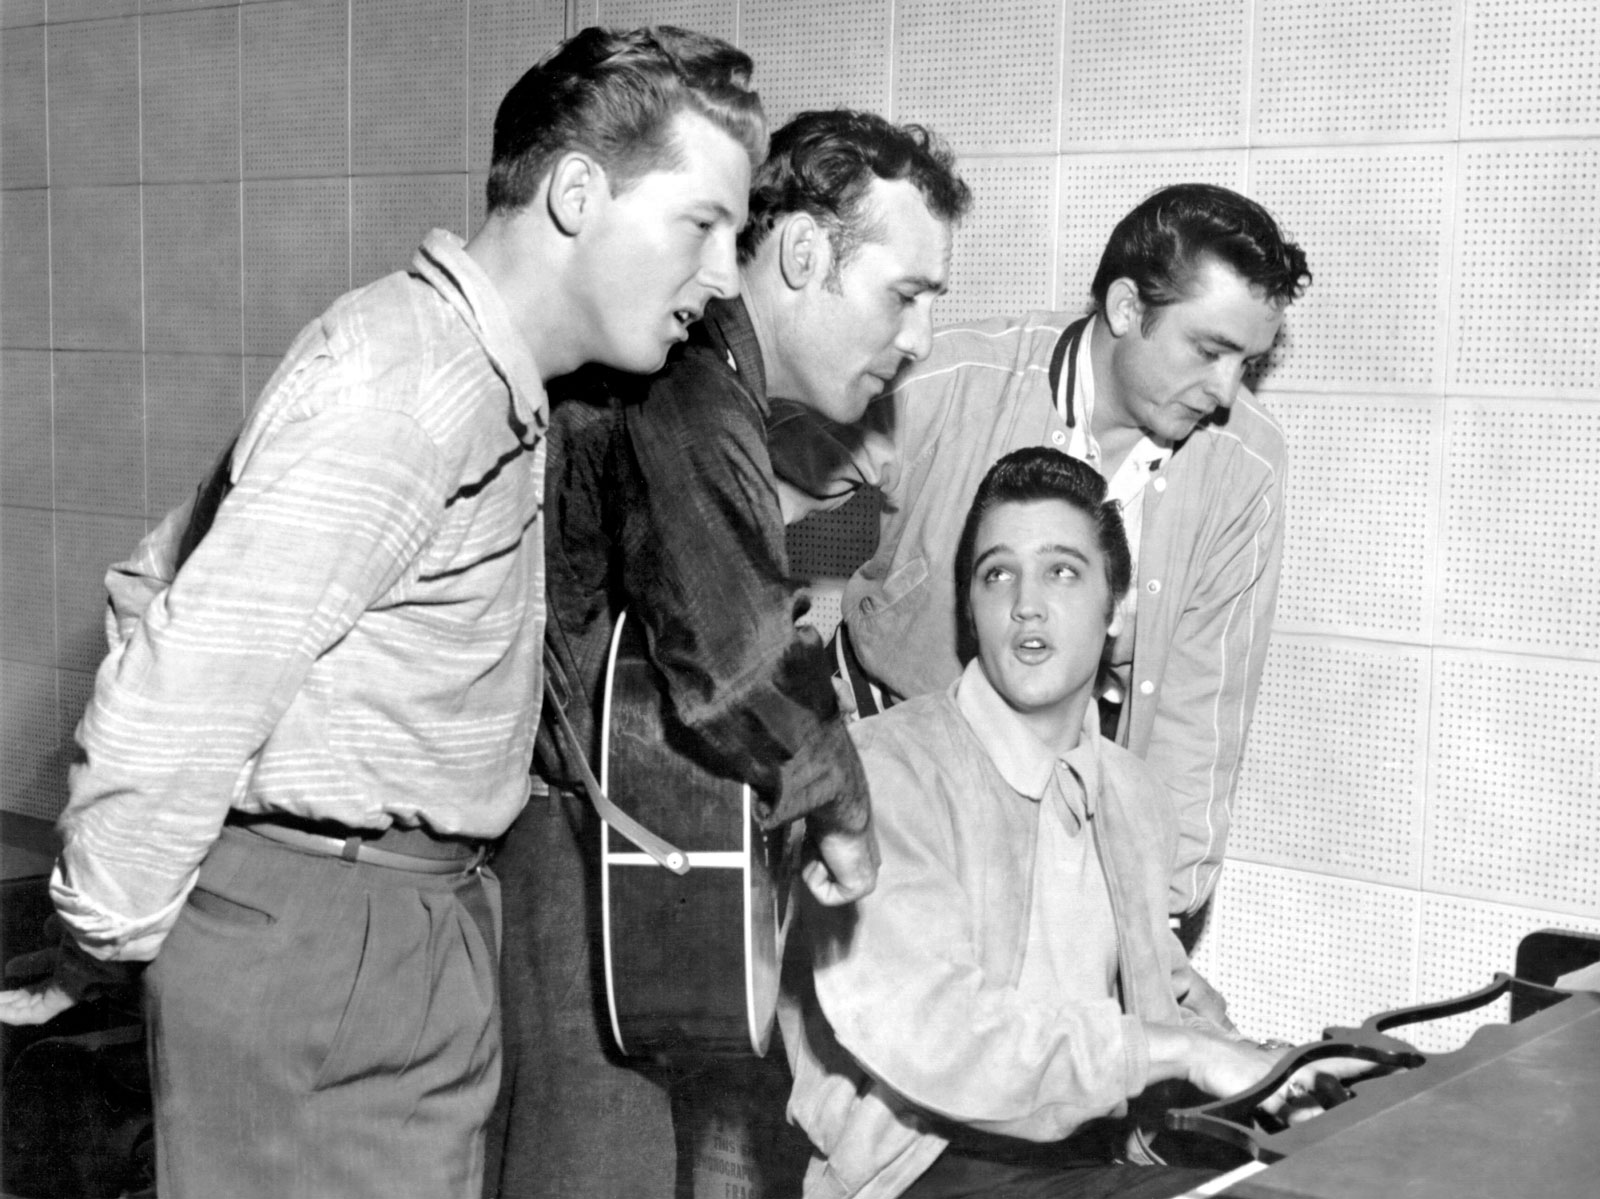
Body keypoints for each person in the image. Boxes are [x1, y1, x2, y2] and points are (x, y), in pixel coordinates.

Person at [0, 26, 764, 1199]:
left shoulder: (483, 383)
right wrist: (105, 930)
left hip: (401, 918)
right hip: (331, 938)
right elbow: (183, 674)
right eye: (701, 224)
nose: (723, 276)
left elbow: (165, 571)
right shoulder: (410, 382)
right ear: (576, 195)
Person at [488, 109, 972, 1199]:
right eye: (905, 294)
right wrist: (848, 814)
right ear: (800, 253)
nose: (920, 339)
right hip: (567, 851)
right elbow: (737, 664)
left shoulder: (711, 384)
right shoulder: (689, 382)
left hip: (595, 836)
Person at [781, 447, 1348, 1199]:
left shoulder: (1133, 795)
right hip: (923, 1170)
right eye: (997, 574)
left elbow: (1160, 995)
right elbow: (940, 1033)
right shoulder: (882, 771)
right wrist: (1179, 1053)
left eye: (1062, 571)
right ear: (970, 608)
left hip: (1092, 1158)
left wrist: (1276, 1069)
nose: (1026, 603)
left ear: (1116, 611)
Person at [770, 183, 1311, 931]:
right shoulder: (948, 382)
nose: (1225, 392)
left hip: (1059, 816)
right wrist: (787, 717)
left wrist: (1158, 921)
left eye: (1246, 362)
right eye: (1209, 350)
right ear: (1127, 308)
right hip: (877, 763)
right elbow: (734, 503)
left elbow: (1200, 719)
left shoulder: (1245, 464)